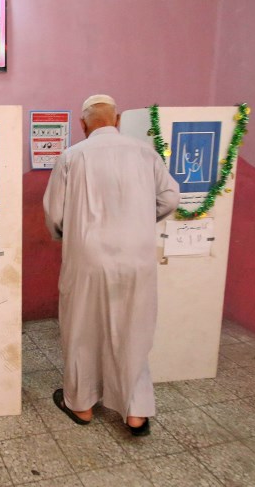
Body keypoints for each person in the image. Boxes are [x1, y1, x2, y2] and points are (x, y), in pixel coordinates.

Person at [43, 95, 179, 436]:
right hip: (136, 258)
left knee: (82, 329)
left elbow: (55, 214)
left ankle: (81, 404)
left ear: (82, 124)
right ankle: (136, 412)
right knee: (133, 329)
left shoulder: (72, 156)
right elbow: (170, 198)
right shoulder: (145, 153)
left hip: (88, 259)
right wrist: (140, 222)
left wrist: (70, 235)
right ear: (117, 121)